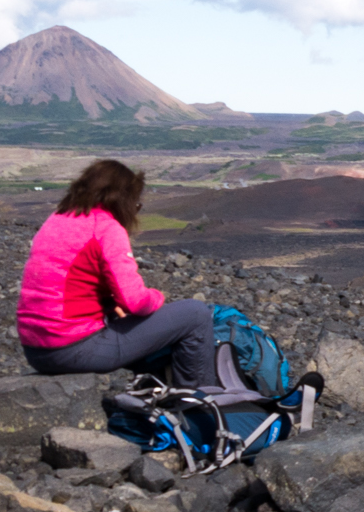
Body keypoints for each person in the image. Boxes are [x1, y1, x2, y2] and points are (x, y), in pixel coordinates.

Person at [17, 159, 217, 389]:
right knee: (196, 314)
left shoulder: (57, 219)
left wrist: (110, 304)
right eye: (135, 203)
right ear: (121, 199)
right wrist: (158, 297)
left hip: (35, 350)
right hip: (73, 349)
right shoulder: (106, 228)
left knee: (127, 318)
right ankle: (198, 409)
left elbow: (73, 283)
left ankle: (152, 395)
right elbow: (136, 301)